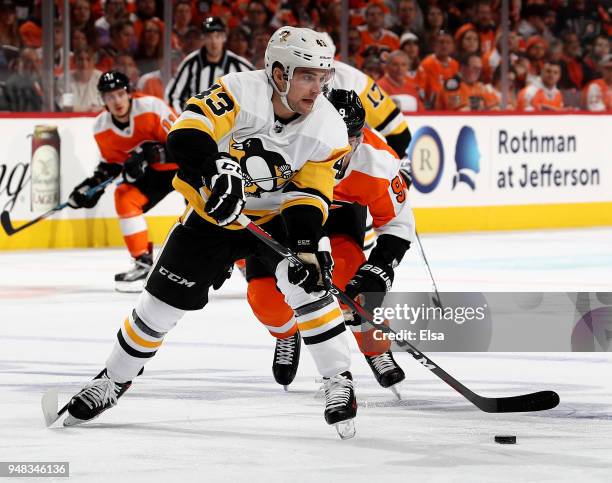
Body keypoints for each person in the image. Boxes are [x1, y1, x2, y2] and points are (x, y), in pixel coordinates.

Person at [62, 27, 358, 439]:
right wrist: (213, 168)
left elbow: (309, 193)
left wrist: (307, 247)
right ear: (278, 72)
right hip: (212, 213)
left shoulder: (327, 126)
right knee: (159, 306)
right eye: (308, 75)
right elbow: (185, 133)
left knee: (307, 283)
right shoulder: (239, 90)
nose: (318, 86)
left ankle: (338, 381)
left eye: (322, 76)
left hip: (276, 217)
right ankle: (113, 380)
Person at [246, 89, 415, 392]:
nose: (335, 146)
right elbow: (246, 207)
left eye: (346, 137)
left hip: (339, 216)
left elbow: (397, 223)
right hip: (286, 218)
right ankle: (286, 333)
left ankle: (375, 348)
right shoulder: (278, 148)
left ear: (359, 139)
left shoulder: (377, 165)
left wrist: (380, 268)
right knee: (265, 299)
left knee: (353, 276)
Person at [67, 71, 178, 292]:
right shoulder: (101, 127)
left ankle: (244, 262)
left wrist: (150, 154)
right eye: (109, 97)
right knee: (124, 196)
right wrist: (91, 187)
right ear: (103, 100)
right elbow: (112, 165)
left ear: (128, 92)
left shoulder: (152, 108)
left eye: (119, 94)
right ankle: (143, 264)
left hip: (184, 168)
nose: (116, 101)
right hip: (153, 176)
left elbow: (184, 143)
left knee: (210, 209)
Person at [166, 16, 254, 113]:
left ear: (224, 37)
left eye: (218, 36)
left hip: (230, 126)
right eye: (209, 36)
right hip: (195, 124)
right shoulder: (190, 63)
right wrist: (183, 120)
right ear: (203, 38)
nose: (214, 42)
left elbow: (257, 93)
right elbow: (172, 96)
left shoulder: (239, 65)